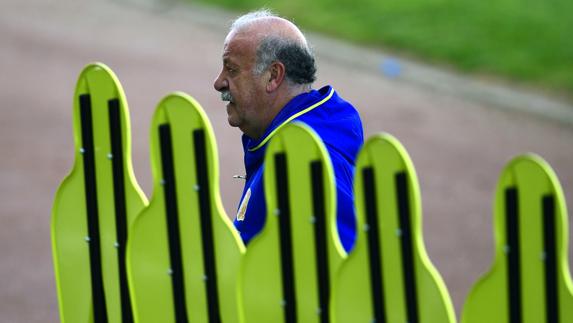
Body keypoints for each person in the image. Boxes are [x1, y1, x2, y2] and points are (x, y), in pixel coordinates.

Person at [213, 10, 363, 252]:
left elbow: (344, 265)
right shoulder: (285, 142)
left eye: (231, 69)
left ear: (273, 76)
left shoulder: (304, 161)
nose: (218, 82)